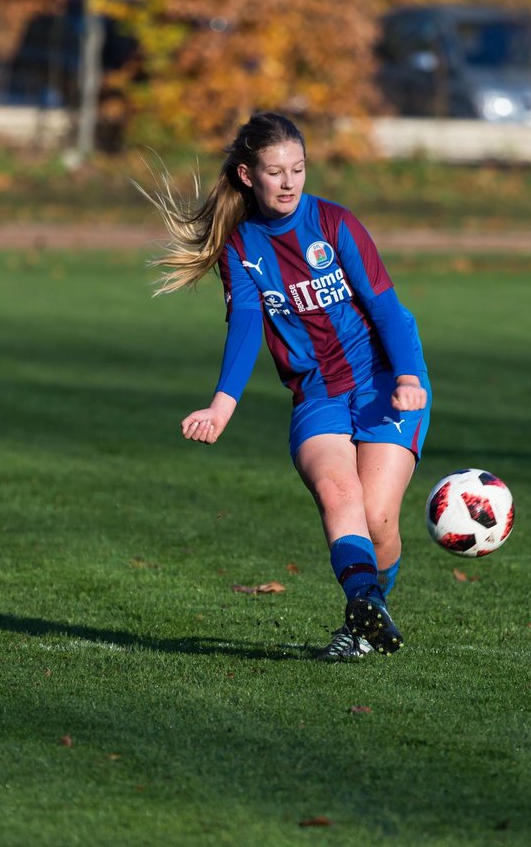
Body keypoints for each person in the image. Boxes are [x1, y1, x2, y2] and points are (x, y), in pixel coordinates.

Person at [138, 112, 431, 661]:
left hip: (384, 382)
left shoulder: (337, 223)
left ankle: (368, 613)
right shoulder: (240, 244)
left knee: (377, 518)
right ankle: (364, 609)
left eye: (298, 168)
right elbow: (246, 326)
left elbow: (388, 309)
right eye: (276, 172)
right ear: (249, 176)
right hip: (317, 394)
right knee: (337, 494)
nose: (291, 181)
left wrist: (410, 377)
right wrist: (221, 408)